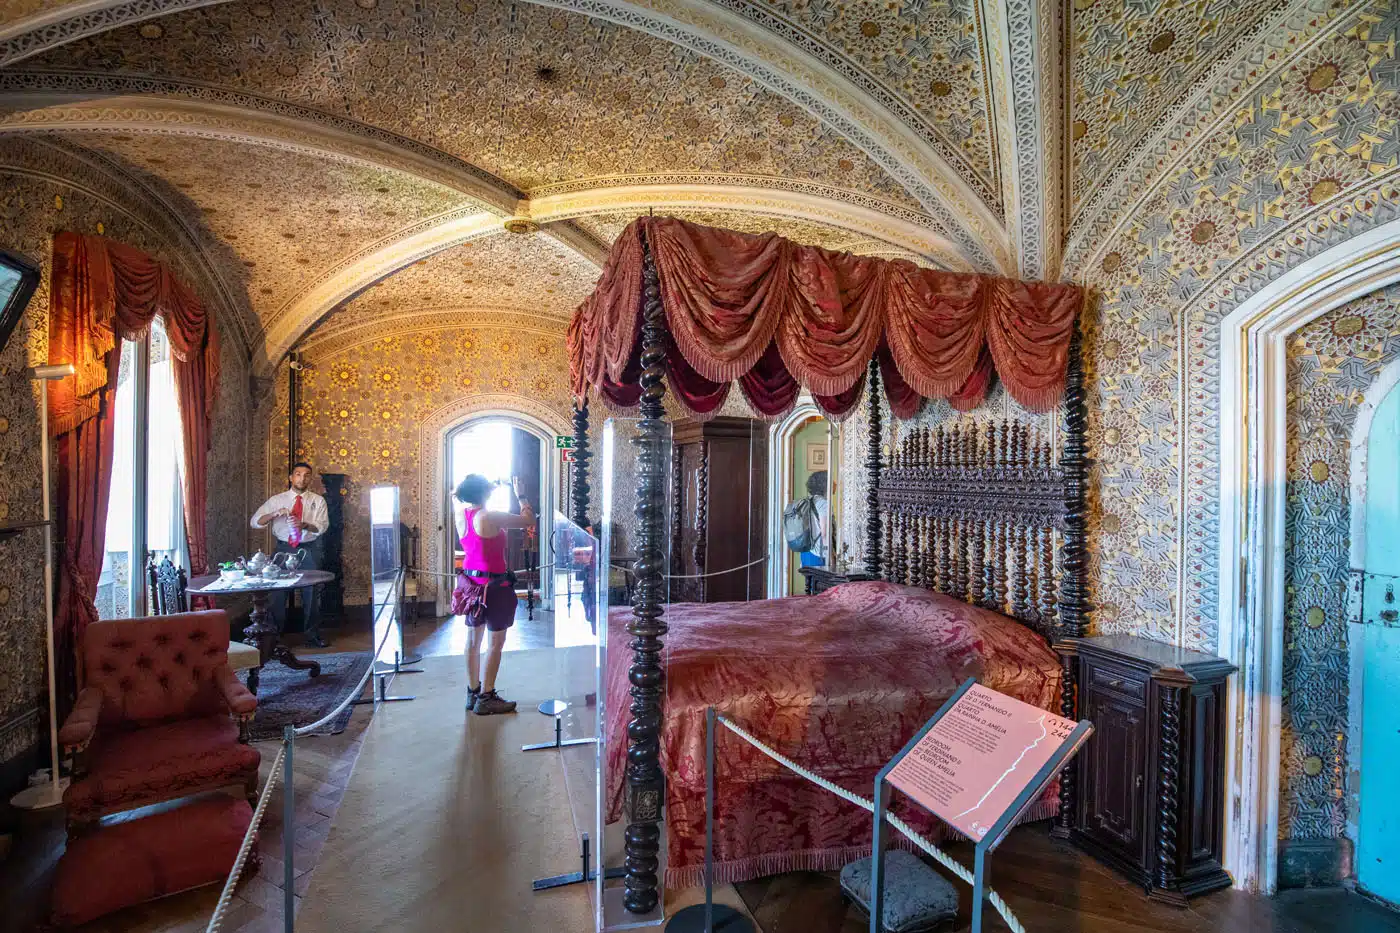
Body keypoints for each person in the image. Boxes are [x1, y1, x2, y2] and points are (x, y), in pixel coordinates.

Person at [455, 473, 535, 715]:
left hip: (471, 585)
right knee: (495, 643)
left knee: (472, 641)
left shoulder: (461, 514)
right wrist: (521, 495)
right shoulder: (489, 516)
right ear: (485, 492)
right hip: (494, 587)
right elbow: (528, 520)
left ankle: (473, 692)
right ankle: (487, 696)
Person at [250, 462, 331, 647]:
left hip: (309, 549)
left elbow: (322, 526)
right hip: (283, 549)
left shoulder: (318, 501)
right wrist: (273, 514)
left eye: (306, 475)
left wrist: (304, 525)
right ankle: (274, 637)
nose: (302, 478)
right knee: (278, 592)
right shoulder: (276, 500)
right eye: (298, 474)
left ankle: (312, 636)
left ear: (310, 479)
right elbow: (255, 522)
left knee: (312, 592)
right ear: (291, 478)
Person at [799, 470, 830, 568]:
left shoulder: (807, 501)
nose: (835, 484)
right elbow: (824, 532)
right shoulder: (823, 503)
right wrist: (830, 554)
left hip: (805, 552)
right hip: (819, 554)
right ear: (825, 485)